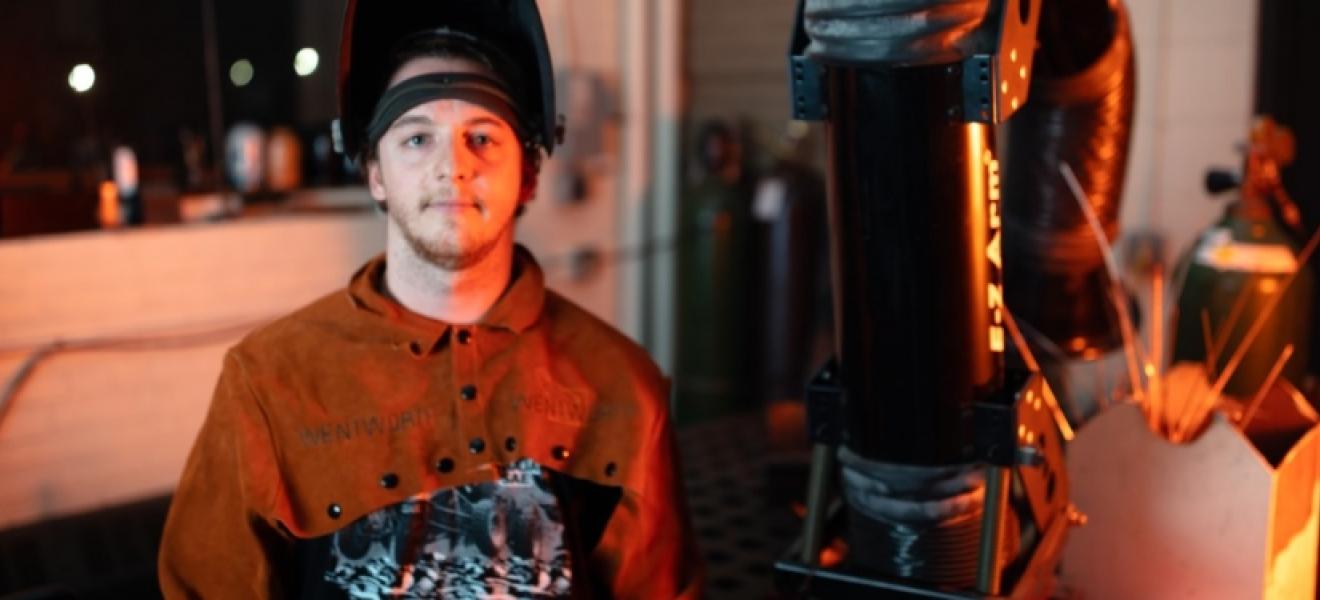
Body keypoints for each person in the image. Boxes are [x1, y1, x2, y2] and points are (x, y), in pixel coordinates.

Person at [157, 2, 703, 598]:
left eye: (483, 138)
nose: (453, 167)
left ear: (528, 175)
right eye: (417, 138)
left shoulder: (622, 386)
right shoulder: (267, 383)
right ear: (375, 174)